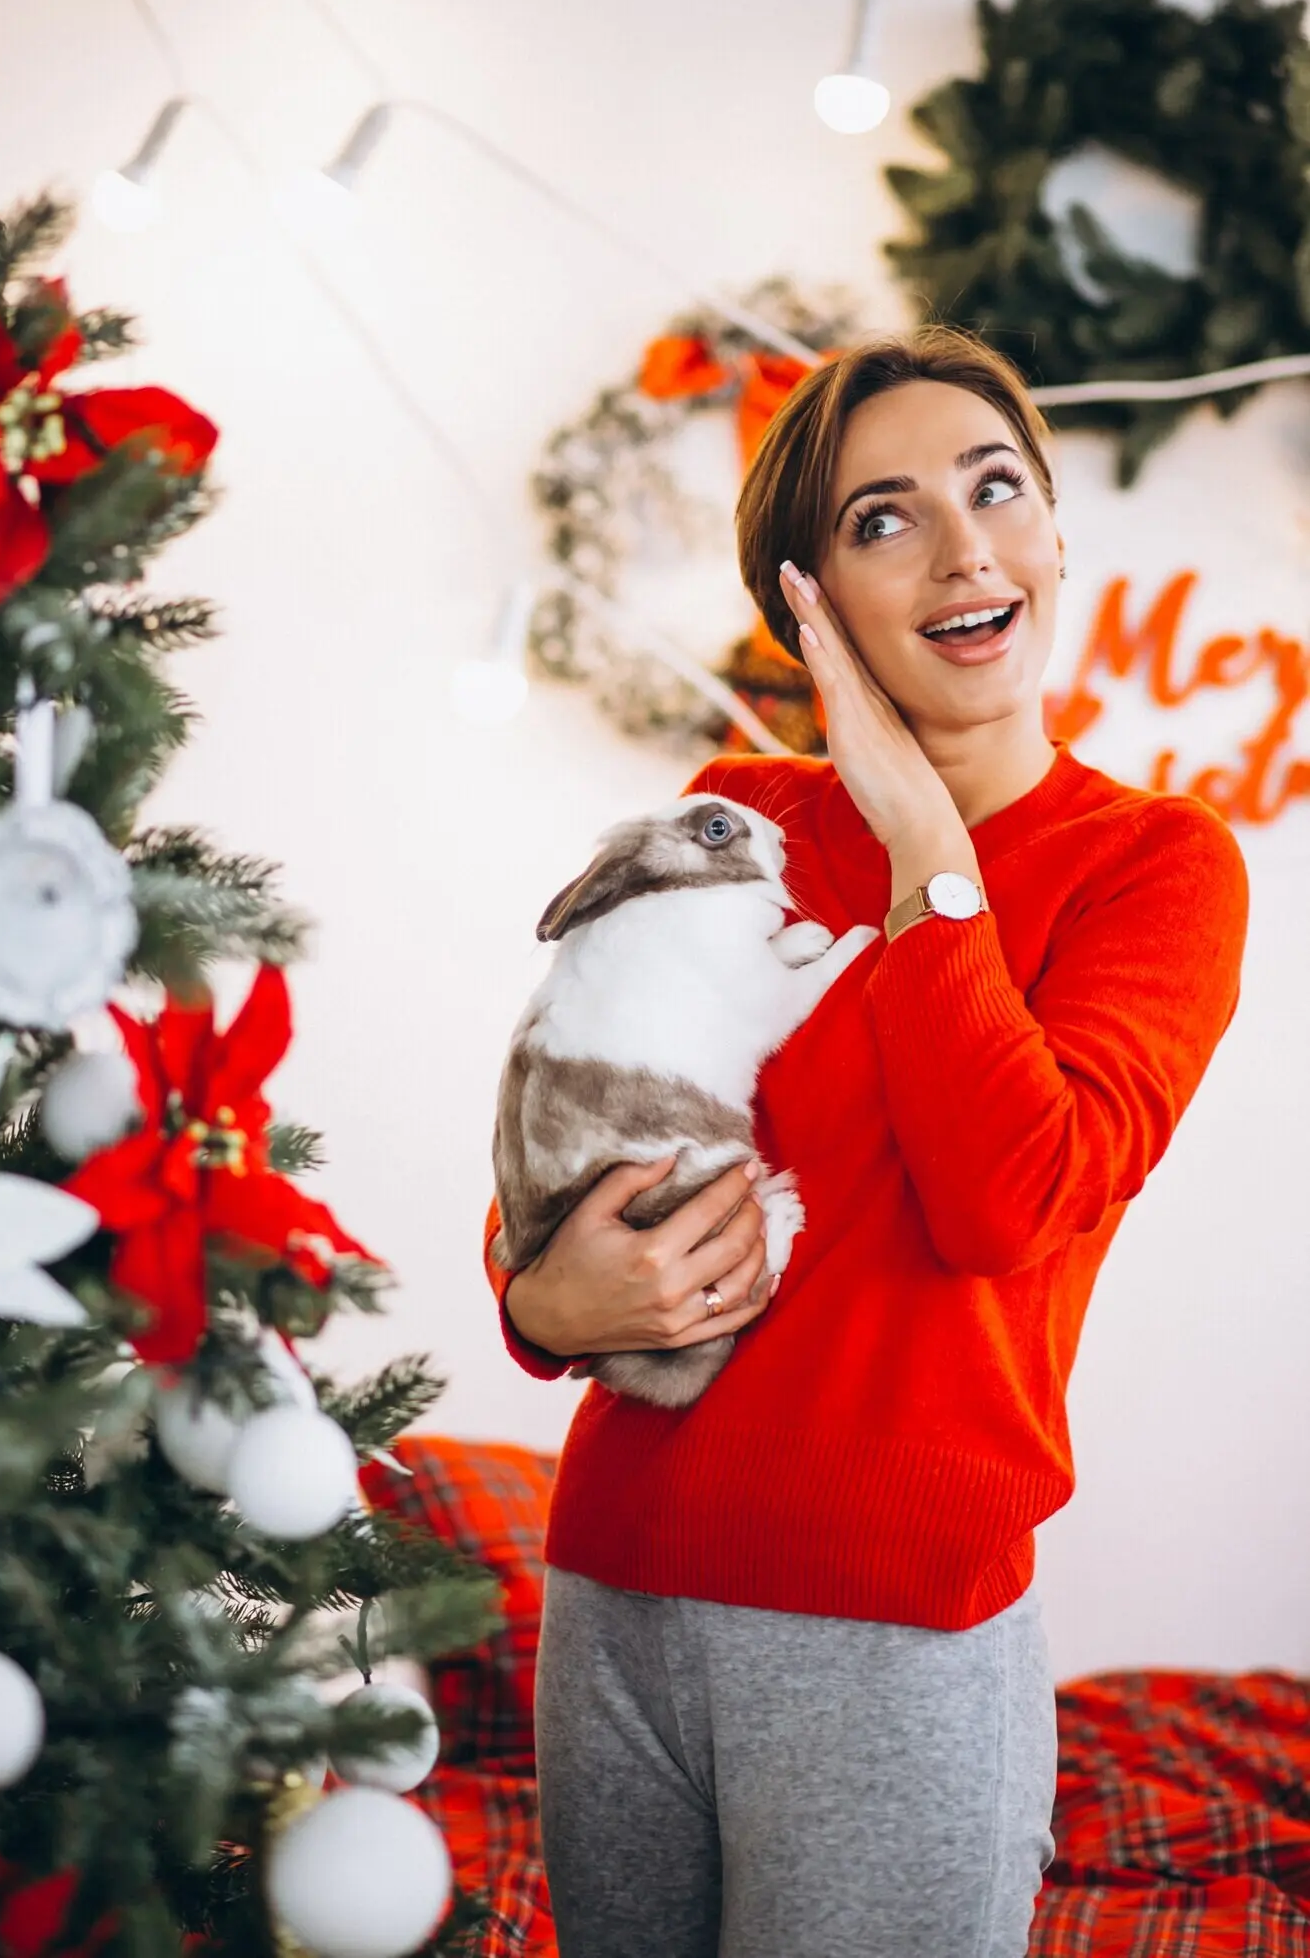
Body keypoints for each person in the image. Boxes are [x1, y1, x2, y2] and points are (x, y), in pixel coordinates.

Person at [482, 327, 1249, 1958]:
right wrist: (538, 1302)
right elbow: (579, 1108)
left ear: (1053, 533)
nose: (965, 547)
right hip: (619, 1580)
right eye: (885, 516)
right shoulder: (731, 816)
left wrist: (922, 841)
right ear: (808, 593)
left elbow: (1007, 1199)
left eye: (997, 490)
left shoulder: (1158, 869)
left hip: (897, 1630)